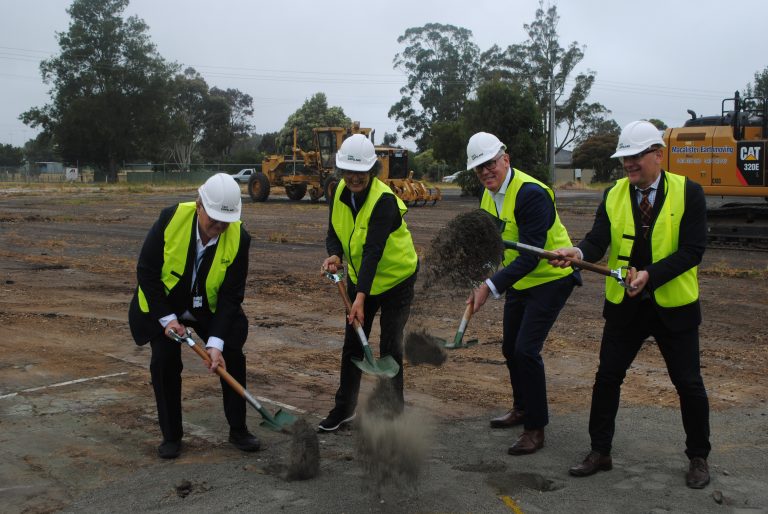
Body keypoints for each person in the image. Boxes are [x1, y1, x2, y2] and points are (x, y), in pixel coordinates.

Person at [549, 120, 711, 488]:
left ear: (658, 154)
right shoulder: (613, 194)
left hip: (675, 307)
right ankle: (600, 451)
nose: (629, 163)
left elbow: (692, 251)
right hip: (625, 306)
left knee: (688, 383)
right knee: (607, 377)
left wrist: (650, 275)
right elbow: (597, 241)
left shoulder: (690, 192)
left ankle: (699, 457)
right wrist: (576, 253)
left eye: (636, 156)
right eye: (625, 157)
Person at [129, 173, 259, 459]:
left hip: (206, 307)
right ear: (199, 205)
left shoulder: (239, 238)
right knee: (164, 360)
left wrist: (216, 343)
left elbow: (231, 296)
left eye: (226, 221)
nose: (220, 226)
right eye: (214, 219)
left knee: (232, 355)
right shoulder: (170, 219)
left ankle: (238, 429)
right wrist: (167, 320)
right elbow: (147, 272)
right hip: (164, 305)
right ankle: (171, 435)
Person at [466, 132, 580, 455]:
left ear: (505, 159)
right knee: (509, 348)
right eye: (479, 168)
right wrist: (482, 277)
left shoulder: (531, 193)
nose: (485, 172)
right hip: (519, 280)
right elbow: (492, 245)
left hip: (550, 279)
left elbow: (531, 256)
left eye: (490, 164)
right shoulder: (487, 196)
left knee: (526, 350)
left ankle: (535, 428)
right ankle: (521, 407)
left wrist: (490, 287)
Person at [319, 134, 418, 432]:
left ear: (372, 171)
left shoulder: (384, 201)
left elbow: (373, 251)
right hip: (361, 279)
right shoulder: (339, 191)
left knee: (390, 347)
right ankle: (344, 409)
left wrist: (360, 298)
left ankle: (392, 415)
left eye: (360, 172)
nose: (354, 178)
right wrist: (335, 255)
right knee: (353, 344)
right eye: (348, 171)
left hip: (396, 280)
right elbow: (334, 232)